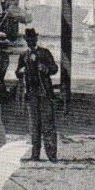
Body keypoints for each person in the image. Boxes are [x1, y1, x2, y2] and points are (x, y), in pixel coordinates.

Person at [16, 27, 59, 162]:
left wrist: (46, 69)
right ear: (26, 41)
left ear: (36, 39)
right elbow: (17, 72)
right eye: (28, 40)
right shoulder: (23, 55)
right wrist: (20, 71)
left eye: (32, 39)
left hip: (44, 93)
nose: (31, 42)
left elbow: (54, 69)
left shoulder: (45, 53)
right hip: (31, 93)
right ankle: (35, 154)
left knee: (48, 124)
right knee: (34, 125)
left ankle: (51, 154)